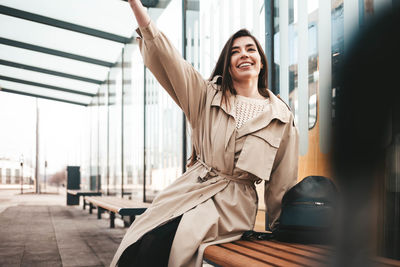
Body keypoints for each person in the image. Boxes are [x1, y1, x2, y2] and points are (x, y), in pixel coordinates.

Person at [111, 1, 299, 266]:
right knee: (141, 241)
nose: (244, 55)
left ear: (261, 61)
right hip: (190, 190)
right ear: (228, 64)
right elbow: (169, 60)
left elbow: (283, 179)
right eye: (235, 51)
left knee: (166, 245)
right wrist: (135, 5)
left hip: (231, 208)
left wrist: (279, 230)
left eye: (250, 49)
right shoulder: (206, 96)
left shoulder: (281, 116)